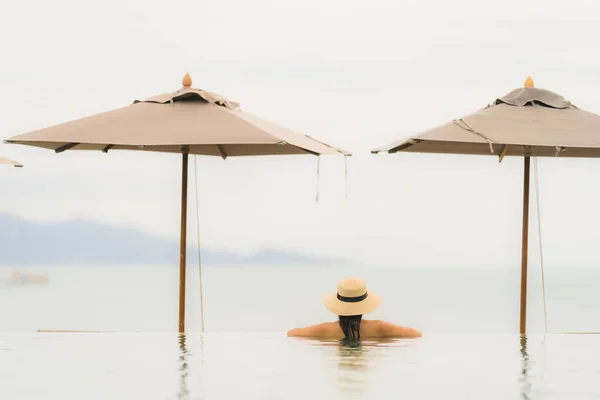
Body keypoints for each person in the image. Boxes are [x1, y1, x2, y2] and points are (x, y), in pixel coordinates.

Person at [287, 277, 422, 340]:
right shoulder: (379, 327)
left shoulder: (326, 330)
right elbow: (416, 334)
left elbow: (291, 333)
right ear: (364, 304)